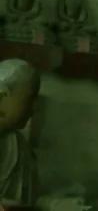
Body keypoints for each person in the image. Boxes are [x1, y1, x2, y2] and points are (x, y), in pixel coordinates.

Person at [0, 59, 39, 207]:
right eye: (29, 98)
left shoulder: (20, 147)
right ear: (3, 95)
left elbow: (27, 201)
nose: (33, 109)